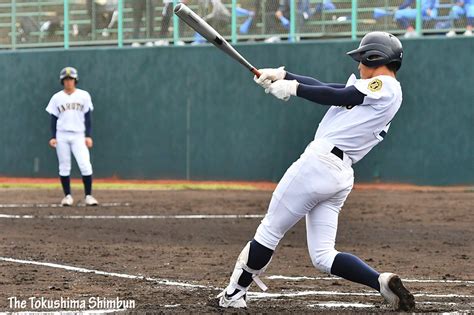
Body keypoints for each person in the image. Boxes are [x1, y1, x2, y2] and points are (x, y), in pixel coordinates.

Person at [217, 32, 415, 311]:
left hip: (319, 165)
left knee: (270, 231)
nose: (359, 65)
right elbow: (328, 88)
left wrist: (293, 88)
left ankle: (234, 294)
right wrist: (285, 75)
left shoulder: (386, 86)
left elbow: (337, 93)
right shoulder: (373, 91)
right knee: (323, 255)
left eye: (362, 59)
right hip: (339, 175)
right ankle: (381, 282)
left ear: (375, 58)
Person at [46, 67, 99, 207]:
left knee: (85, 164)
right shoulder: (57, 97)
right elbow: (53, 118)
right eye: (66, 79)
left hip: (79, 135)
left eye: (71, 79)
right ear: (62, 81)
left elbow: (88, 117)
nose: (68, 82)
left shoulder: (84, 96)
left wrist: (88, 136)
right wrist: (53, 136)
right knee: (64, 166)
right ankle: (67, 196)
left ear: (75, 80)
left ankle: (88, 196)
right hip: (62, 135)